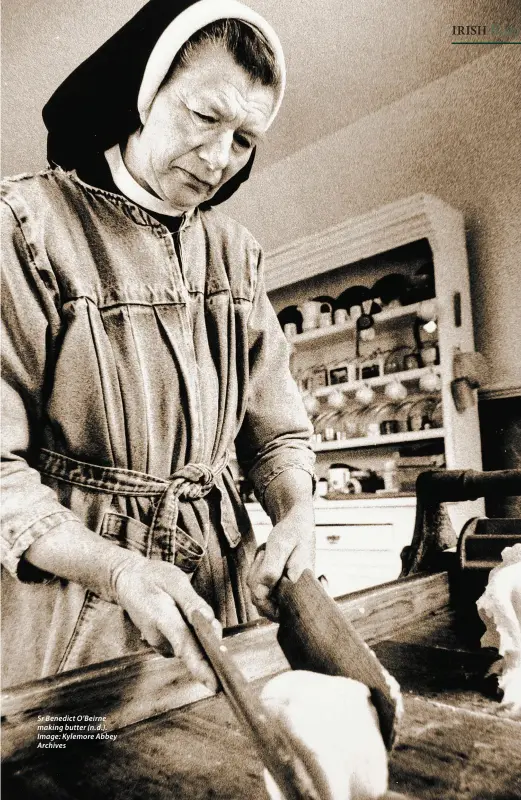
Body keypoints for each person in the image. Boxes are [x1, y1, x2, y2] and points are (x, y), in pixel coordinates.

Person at [1, 0, 315, 690]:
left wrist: (296, 512)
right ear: (142, 90)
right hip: (78, 604)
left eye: (243, 139)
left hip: (219, 591)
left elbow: (275, 436)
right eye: (204, 118)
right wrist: (119, 569)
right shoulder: (25, 226)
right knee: (79, 764)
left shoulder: (237, 254)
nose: (218, 159)